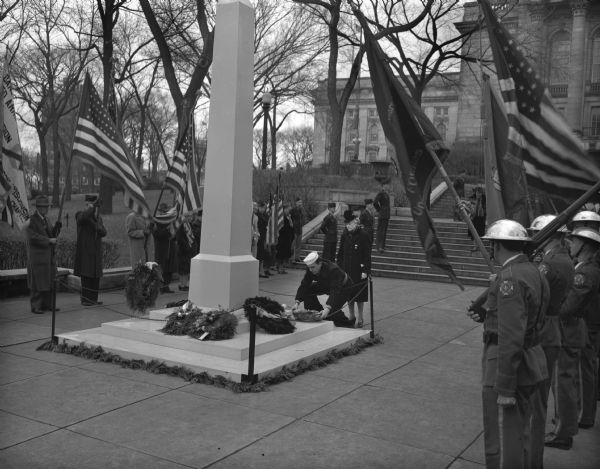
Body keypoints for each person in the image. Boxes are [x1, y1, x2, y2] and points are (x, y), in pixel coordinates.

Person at [468, 219, 549, 469]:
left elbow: (511, 335)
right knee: (520, 430)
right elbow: (526, 315)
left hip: (506, 361)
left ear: (496, 246)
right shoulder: (533, 271)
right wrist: (486, 314)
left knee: (504, 435)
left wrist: (505, 387)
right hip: (530, 357)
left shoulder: (510, 279)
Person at [545, 227, 600, 450]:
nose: (570, 244)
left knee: (563, 384)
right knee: (568, 383)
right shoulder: (585, 268)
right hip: (574, 329)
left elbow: (568, 308)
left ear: (585, 246)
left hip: (568, 330)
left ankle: (563, 433)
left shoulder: (584, 272)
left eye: (575, 241)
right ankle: (566, 423)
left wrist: (549, 308)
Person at [527, 215, 573, 467]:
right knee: (540, 398)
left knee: (535, 401)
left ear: (549, 234)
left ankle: (532, 459)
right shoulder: (565, 259)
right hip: (553, 329)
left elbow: (534, 297)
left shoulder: (549, 263)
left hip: (544, 329)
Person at [292, 251, 355, 328]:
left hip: (344, 286)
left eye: (313, 267)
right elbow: (304, 285)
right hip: (326, 284)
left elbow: (335, 290)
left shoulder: (333, 269)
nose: (310, 270)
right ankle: (316, 313)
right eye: (309, 267)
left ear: (320, 263)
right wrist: (297, 302)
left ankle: (347, 324)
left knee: (332, 309)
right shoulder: (310, 268)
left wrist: (327, 308)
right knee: (308, 290)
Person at [25, 195, 61, 314]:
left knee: (48, 281)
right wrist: (48, 241)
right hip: (37, 257)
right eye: (44, 207)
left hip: (48, 256)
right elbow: (32, 237)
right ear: (39, 207)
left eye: (47, 207)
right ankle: (36, 306)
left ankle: (47, 304)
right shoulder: (31, 220)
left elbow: (51, 234)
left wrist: (56, 228)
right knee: (37, 282)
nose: (46, 209)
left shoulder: (46, 219)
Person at [337, 210, 371, 328]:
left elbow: (367, 255)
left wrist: (365, 271)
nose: (348, 226)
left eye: (350, 224)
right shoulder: (345, 234)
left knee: (359, 296)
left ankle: (360, 317)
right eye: (346, 224)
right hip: (347, 270)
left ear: (355, 223)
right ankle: (351, 316)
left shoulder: (363, 235)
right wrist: (339, 270)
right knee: (349, 295)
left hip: (359, 270)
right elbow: (340, 254)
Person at [74, 194, 106, 306]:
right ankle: (85, 300)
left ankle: (93, 299)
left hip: (96, 252)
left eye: (92, 205)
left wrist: (98, 226)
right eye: (88, 205)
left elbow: (103, 232)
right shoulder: (80, 214)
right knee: (86, 276)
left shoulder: (98, 218)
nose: (90, 207)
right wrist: (93, 209)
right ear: (85, 204)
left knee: (95, 277)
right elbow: (84, 217)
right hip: (86, 252)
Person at [153, 203, 178, 293]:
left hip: (170, 247)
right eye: (163, 211)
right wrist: (167, 230)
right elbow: (156, 235)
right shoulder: (156, 221)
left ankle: (166, 286)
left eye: (166, 211)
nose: (164, 213)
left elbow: (174, 235)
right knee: (161, 268)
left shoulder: (170, 220)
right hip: (161, 248)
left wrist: (173, 233)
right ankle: (160, 287)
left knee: (169, 268)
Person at [175, 211, 200, 291]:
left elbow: (195, 236)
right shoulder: (181, 226)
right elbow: (179, 238)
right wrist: (186, 247)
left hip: (191, 250)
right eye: (187, 216)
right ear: (184, 217)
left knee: (188, 268)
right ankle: (182, 285)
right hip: (183, 250)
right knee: (183, 270)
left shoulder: (191, 225)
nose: (190, 217)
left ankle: (186, 284)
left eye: (190, 216)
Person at [275, 203, 294, 274]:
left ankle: (282, 268)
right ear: (284, 209)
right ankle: (279, 268)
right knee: (281, 254)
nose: (289, 211)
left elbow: (291, 227)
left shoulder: (288, 217)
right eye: (288, 209)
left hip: (287, 238)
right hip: (282, 238)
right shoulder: (281, 218)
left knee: (285, 254)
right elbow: (281, 228)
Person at [373, 183, 390, 253]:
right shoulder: (381, 193)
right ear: (383, 186)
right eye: (386, 185)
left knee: (384, 231)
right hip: (382, 214)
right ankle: (379, 247)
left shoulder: (386, 194)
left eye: (388, 185)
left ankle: (382, 246)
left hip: (386, 215)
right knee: (380, 231)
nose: (388, 186)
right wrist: (379, 209)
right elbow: (375, 202)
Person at [468, 186, 486, 251]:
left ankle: (480, 247)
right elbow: (470, 208)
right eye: (477, 193)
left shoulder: (484, 200)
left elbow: (485, 210)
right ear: (475, 193)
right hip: (474, 218)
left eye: (480, 193)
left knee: (480, 232)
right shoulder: (473, 199)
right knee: (473, 232)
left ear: (482, 193)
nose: (478, 194)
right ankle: (475, 246)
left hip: (481, 219)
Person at [256, 200, 271, 278]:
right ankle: (258, 271)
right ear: (260, 207)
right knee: (258, 255)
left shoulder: (265, 215)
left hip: (263, 236)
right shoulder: (256, 215)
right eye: (263, 208)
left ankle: (261, 271)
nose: (265, 209)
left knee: (262, 255)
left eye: (265, 208)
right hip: (257, 236)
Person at [290, 197, 306, 261]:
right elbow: (290, 219)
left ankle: (297, 257)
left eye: (301, 202)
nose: (300, 204)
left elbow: (303, 218)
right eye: (299, 202)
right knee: (293, 245)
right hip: (294, 229)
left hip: (299, 229)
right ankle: (292, 258)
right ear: (296, 203)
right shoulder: (292, 210)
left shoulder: (301, 210)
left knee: (298, 245)